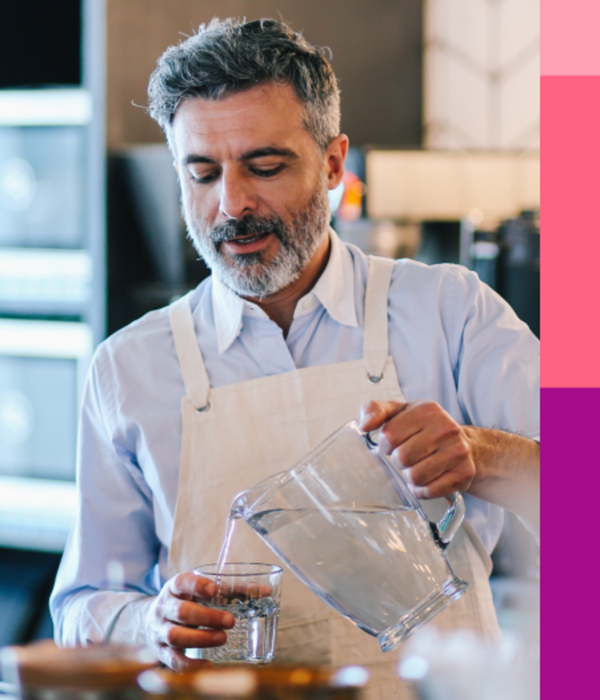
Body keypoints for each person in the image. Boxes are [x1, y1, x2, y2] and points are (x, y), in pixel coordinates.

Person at [50, 17, 539, 700]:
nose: (233, 205)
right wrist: (146, 623)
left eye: (266, 166)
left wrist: (482, 454)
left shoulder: (450, 312)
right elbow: (81, 605)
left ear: (334, 164)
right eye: (202, 173)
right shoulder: (127, 370)